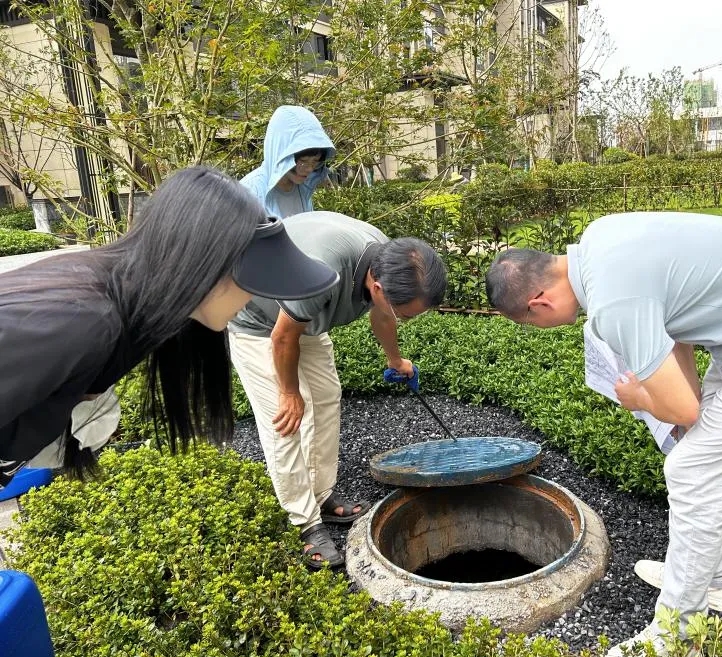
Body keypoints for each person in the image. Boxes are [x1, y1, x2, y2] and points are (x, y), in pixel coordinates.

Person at [484, 211, 722, 657]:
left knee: (693, 473)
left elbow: (681, 408)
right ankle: (710, 586)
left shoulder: (614, 304)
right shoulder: (600, 240)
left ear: (539, 303)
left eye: (528, 324)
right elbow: (675, 327)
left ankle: (679, 637)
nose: (537, 329)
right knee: (697, 458)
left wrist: (638, 397)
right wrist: (684, 411)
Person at [0, 166, 339, 487]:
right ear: (200, 263)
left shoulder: (134, 316)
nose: (251, 297)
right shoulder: (82, 318)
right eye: (250, 277)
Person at [228, 211, 447, 569]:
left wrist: (395, 360)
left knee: (326, 397)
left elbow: (382, 314)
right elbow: (283, 337)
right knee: (285, 422)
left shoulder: (383, 259)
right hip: (256, 318)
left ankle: (321, 493)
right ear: (377, 287)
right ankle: (305, 521)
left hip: (302, 316)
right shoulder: (323, 272)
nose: (405, 319)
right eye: (406, 314)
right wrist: (289, 393)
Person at [242, 105, 335, 219]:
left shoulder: (303, 189)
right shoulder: (249, 192)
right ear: (282, 156)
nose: (309, 169)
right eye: (303, 161)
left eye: (315, 161)